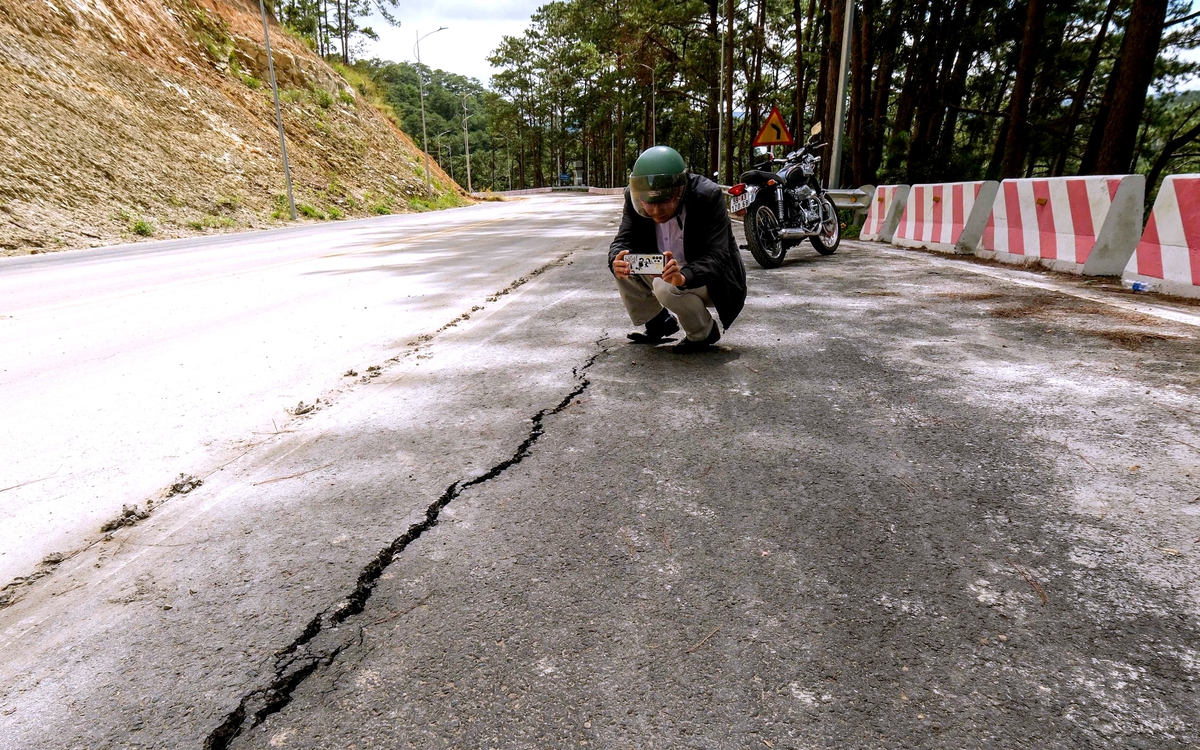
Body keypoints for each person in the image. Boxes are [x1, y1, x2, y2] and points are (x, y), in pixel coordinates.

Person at [608, 146, 747, 353]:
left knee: (665, 286)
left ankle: (703, 333)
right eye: (649, 203)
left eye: (664, 202)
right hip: (666, 269)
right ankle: (658, 322)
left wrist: (683, 277)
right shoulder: (634, 196)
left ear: (679, 191)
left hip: (711, 280)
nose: (655, 211)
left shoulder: (707, 196)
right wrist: (615, 261)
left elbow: (718, 257)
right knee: (625, 263)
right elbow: (623, 240)